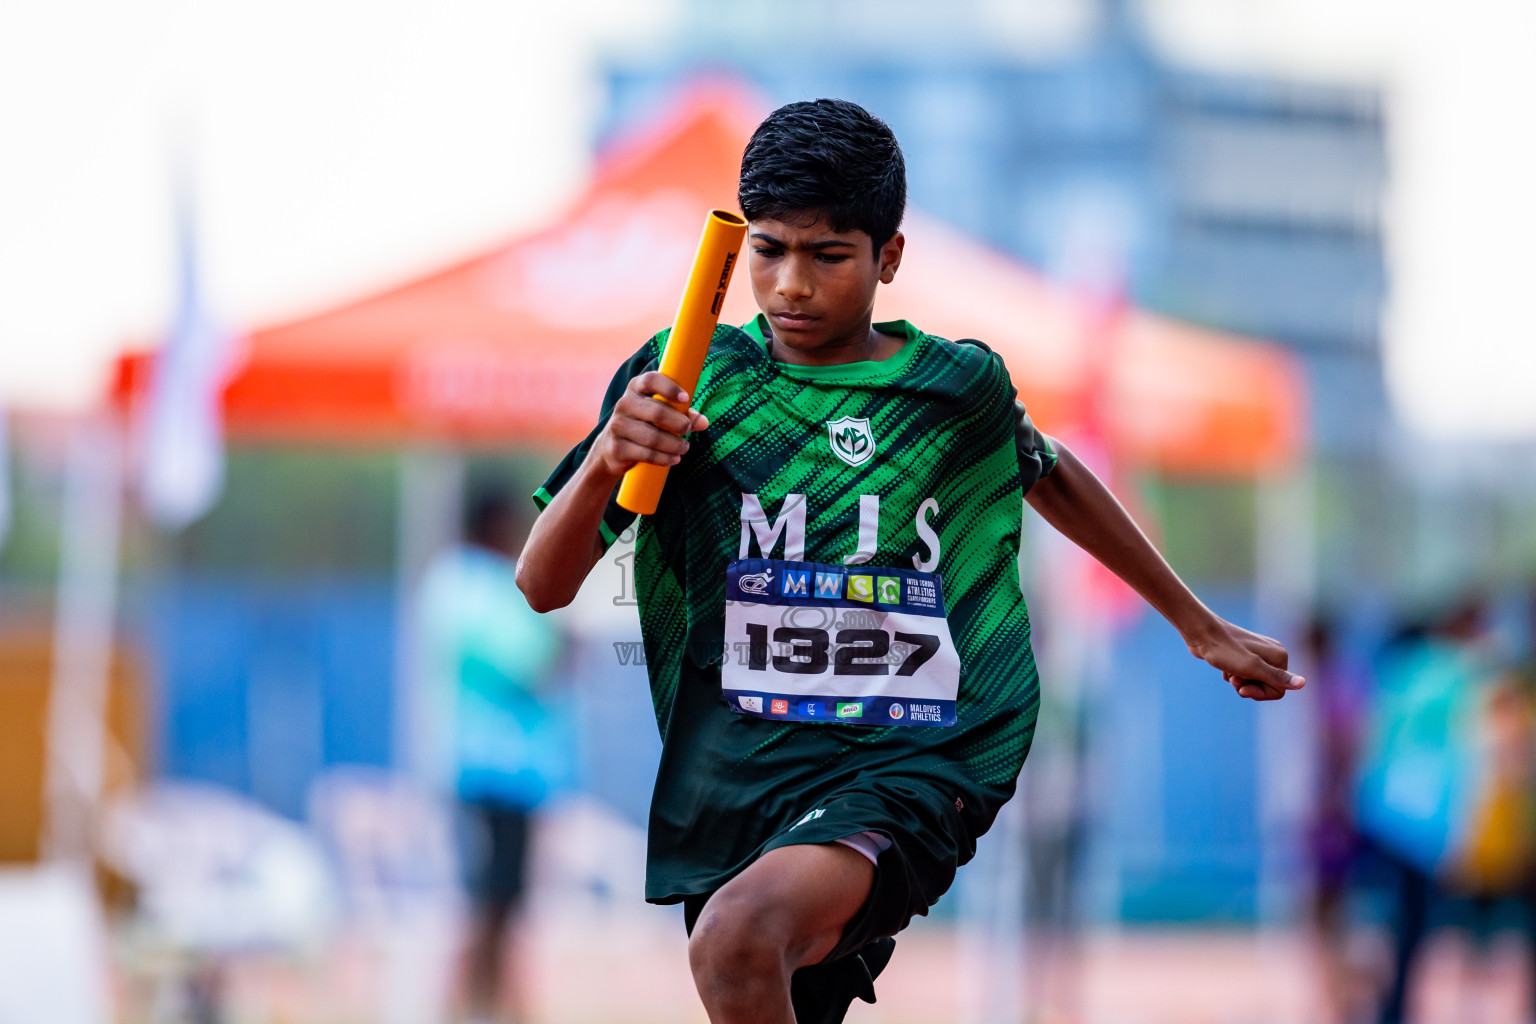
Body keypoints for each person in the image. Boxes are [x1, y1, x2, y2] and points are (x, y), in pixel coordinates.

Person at [515, 98, 1301, 1024]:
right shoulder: (690, 380)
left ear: (888, 256)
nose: (791, 287)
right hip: (741, 776)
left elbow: (1049, 473)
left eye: (828, 255)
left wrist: (1199, 626)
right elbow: (542, 583)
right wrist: (611, 453)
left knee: (734, 939)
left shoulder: (953, 389)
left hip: (915, 758)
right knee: (765, 977)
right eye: (768, 251)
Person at [417, 487, 565, 1024]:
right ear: (494, 525)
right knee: (488, 901)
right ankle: (466, 1008)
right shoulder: (468, 584)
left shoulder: (470, 584)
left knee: (502, 902)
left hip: (513, 773)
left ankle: (492, 1006)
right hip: (490, 771)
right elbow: (535, 662)